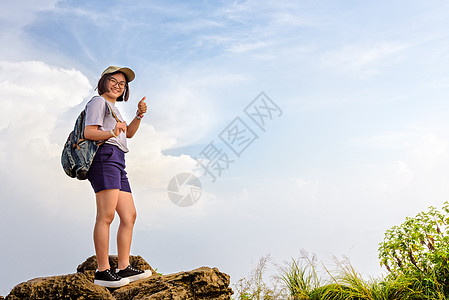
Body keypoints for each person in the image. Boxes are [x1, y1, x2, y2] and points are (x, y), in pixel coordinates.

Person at [84, 66, 151, 288]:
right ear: (104, 81)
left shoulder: (114, 109)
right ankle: (102, 271)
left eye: (122, 84)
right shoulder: (98, 102)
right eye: (113, 81)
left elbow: (128, 133)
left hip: (118, 159)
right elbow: (89, 132)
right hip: (105, 157)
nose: (118, 86)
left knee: (129, 215)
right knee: (106, 215)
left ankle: (124, 267)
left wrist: (139, 115)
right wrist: (112, 132)